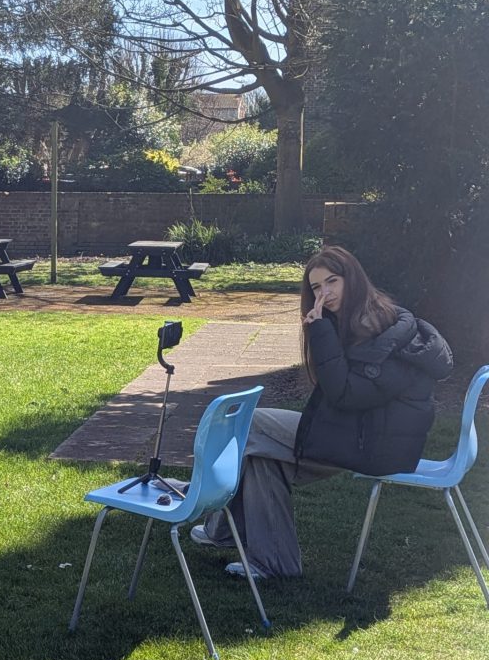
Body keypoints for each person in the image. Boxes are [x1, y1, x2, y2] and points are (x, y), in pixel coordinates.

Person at [192, 245, 453, 578]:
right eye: (316, 287)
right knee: (261, 458)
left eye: (332, 282)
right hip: (362, 431)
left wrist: (319, 332)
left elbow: (344, 393)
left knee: (250, 424)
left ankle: (213, 519)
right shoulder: (366, 316)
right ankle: (274, 562)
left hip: (374, 443)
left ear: (351, 279)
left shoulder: (374, 327)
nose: (324, 294)